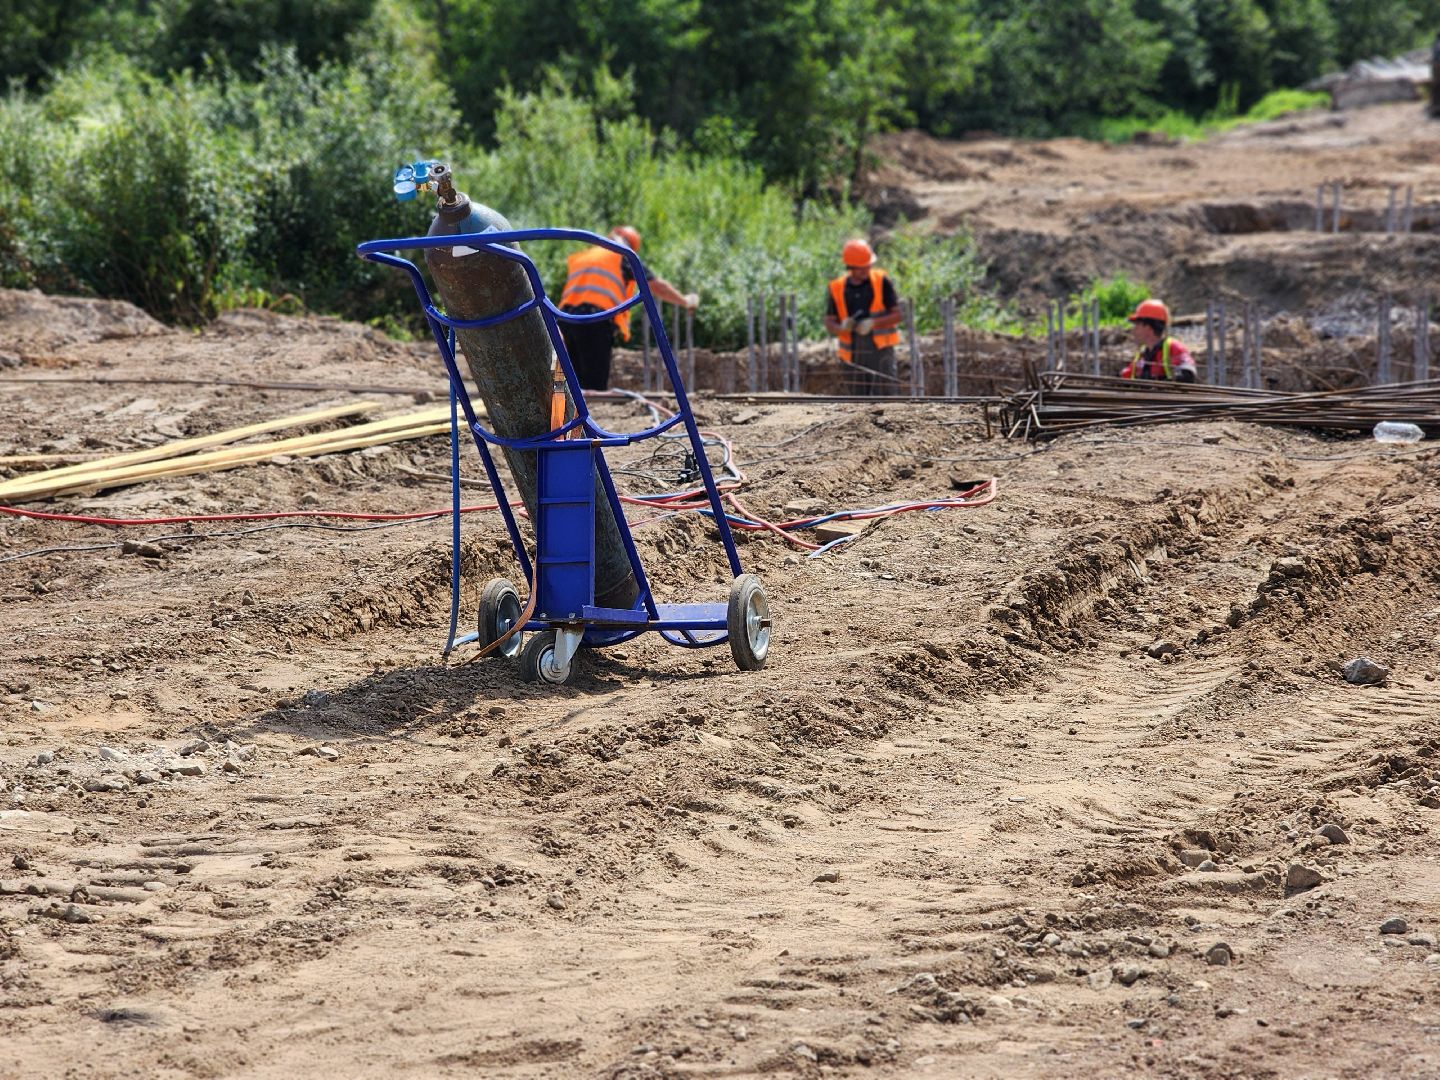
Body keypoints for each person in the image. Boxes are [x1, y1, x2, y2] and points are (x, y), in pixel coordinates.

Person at [557, 226, 697, 392]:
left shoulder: (582, 256)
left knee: (572, 387)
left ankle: (570, 417)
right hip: (595, 320)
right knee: (593, 386)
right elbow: (657, 286)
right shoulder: (622, 255)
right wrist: (685, 301)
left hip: (563, 321)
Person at [823, 239, 903, 395]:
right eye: (861, 268)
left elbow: (898, 314)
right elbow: (829, 321)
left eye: (868, 265)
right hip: (852, 353)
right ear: (850, 267)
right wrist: (841, 328)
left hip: (880, 350)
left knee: (888, 398)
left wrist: (873, 323)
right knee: (857, 401)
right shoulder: (837, 288)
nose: (867, 269)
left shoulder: (881, 281)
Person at [1120, 299, 1197, 383]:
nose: (1133, 330)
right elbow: (1124, 376)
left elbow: (1188, 372)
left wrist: (1172, 381)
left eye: (1137, 325)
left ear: (1148, 327)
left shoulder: (1173, 347)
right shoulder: (1142, 354)